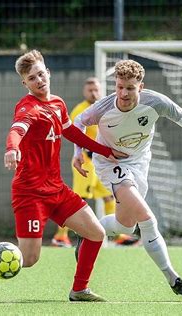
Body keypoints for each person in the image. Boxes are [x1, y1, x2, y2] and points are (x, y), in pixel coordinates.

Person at [0, 49, 127, 302]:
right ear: (25, 83)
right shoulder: (28, 107)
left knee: (96, 233)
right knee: (29, 259)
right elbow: (16, 130)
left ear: (48, 73)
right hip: (30, 193)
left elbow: (72, 133)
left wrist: (104, 150)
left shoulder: (57, 103)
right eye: (32, 78)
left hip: (56, 189)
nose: (39, 80)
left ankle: (79, 290)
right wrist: (12, 148)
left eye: (41, 74)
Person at [73, 59, 182, 298]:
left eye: (129, 88)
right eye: (119, 87)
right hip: (111, 165)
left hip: (139, 164)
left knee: (124, 225)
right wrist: (78, 154)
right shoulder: (104, 107)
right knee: (147, 218)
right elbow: (78, 122)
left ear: (141, 86)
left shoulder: (155, 102)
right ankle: (174, 280)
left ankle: (87, 230)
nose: (123, 93)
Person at [51, 77, 138, 247]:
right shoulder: (80, 110)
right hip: (86, 161)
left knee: (108, 196)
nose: (93, 92)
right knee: (77, 199)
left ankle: (119, 237)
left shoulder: (106, 107)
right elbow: (74, 134)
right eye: (90, 89)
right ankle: (60, 237)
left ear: (101, 89)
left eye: (96, 89)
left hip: (102, 163)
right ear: (85, 91)